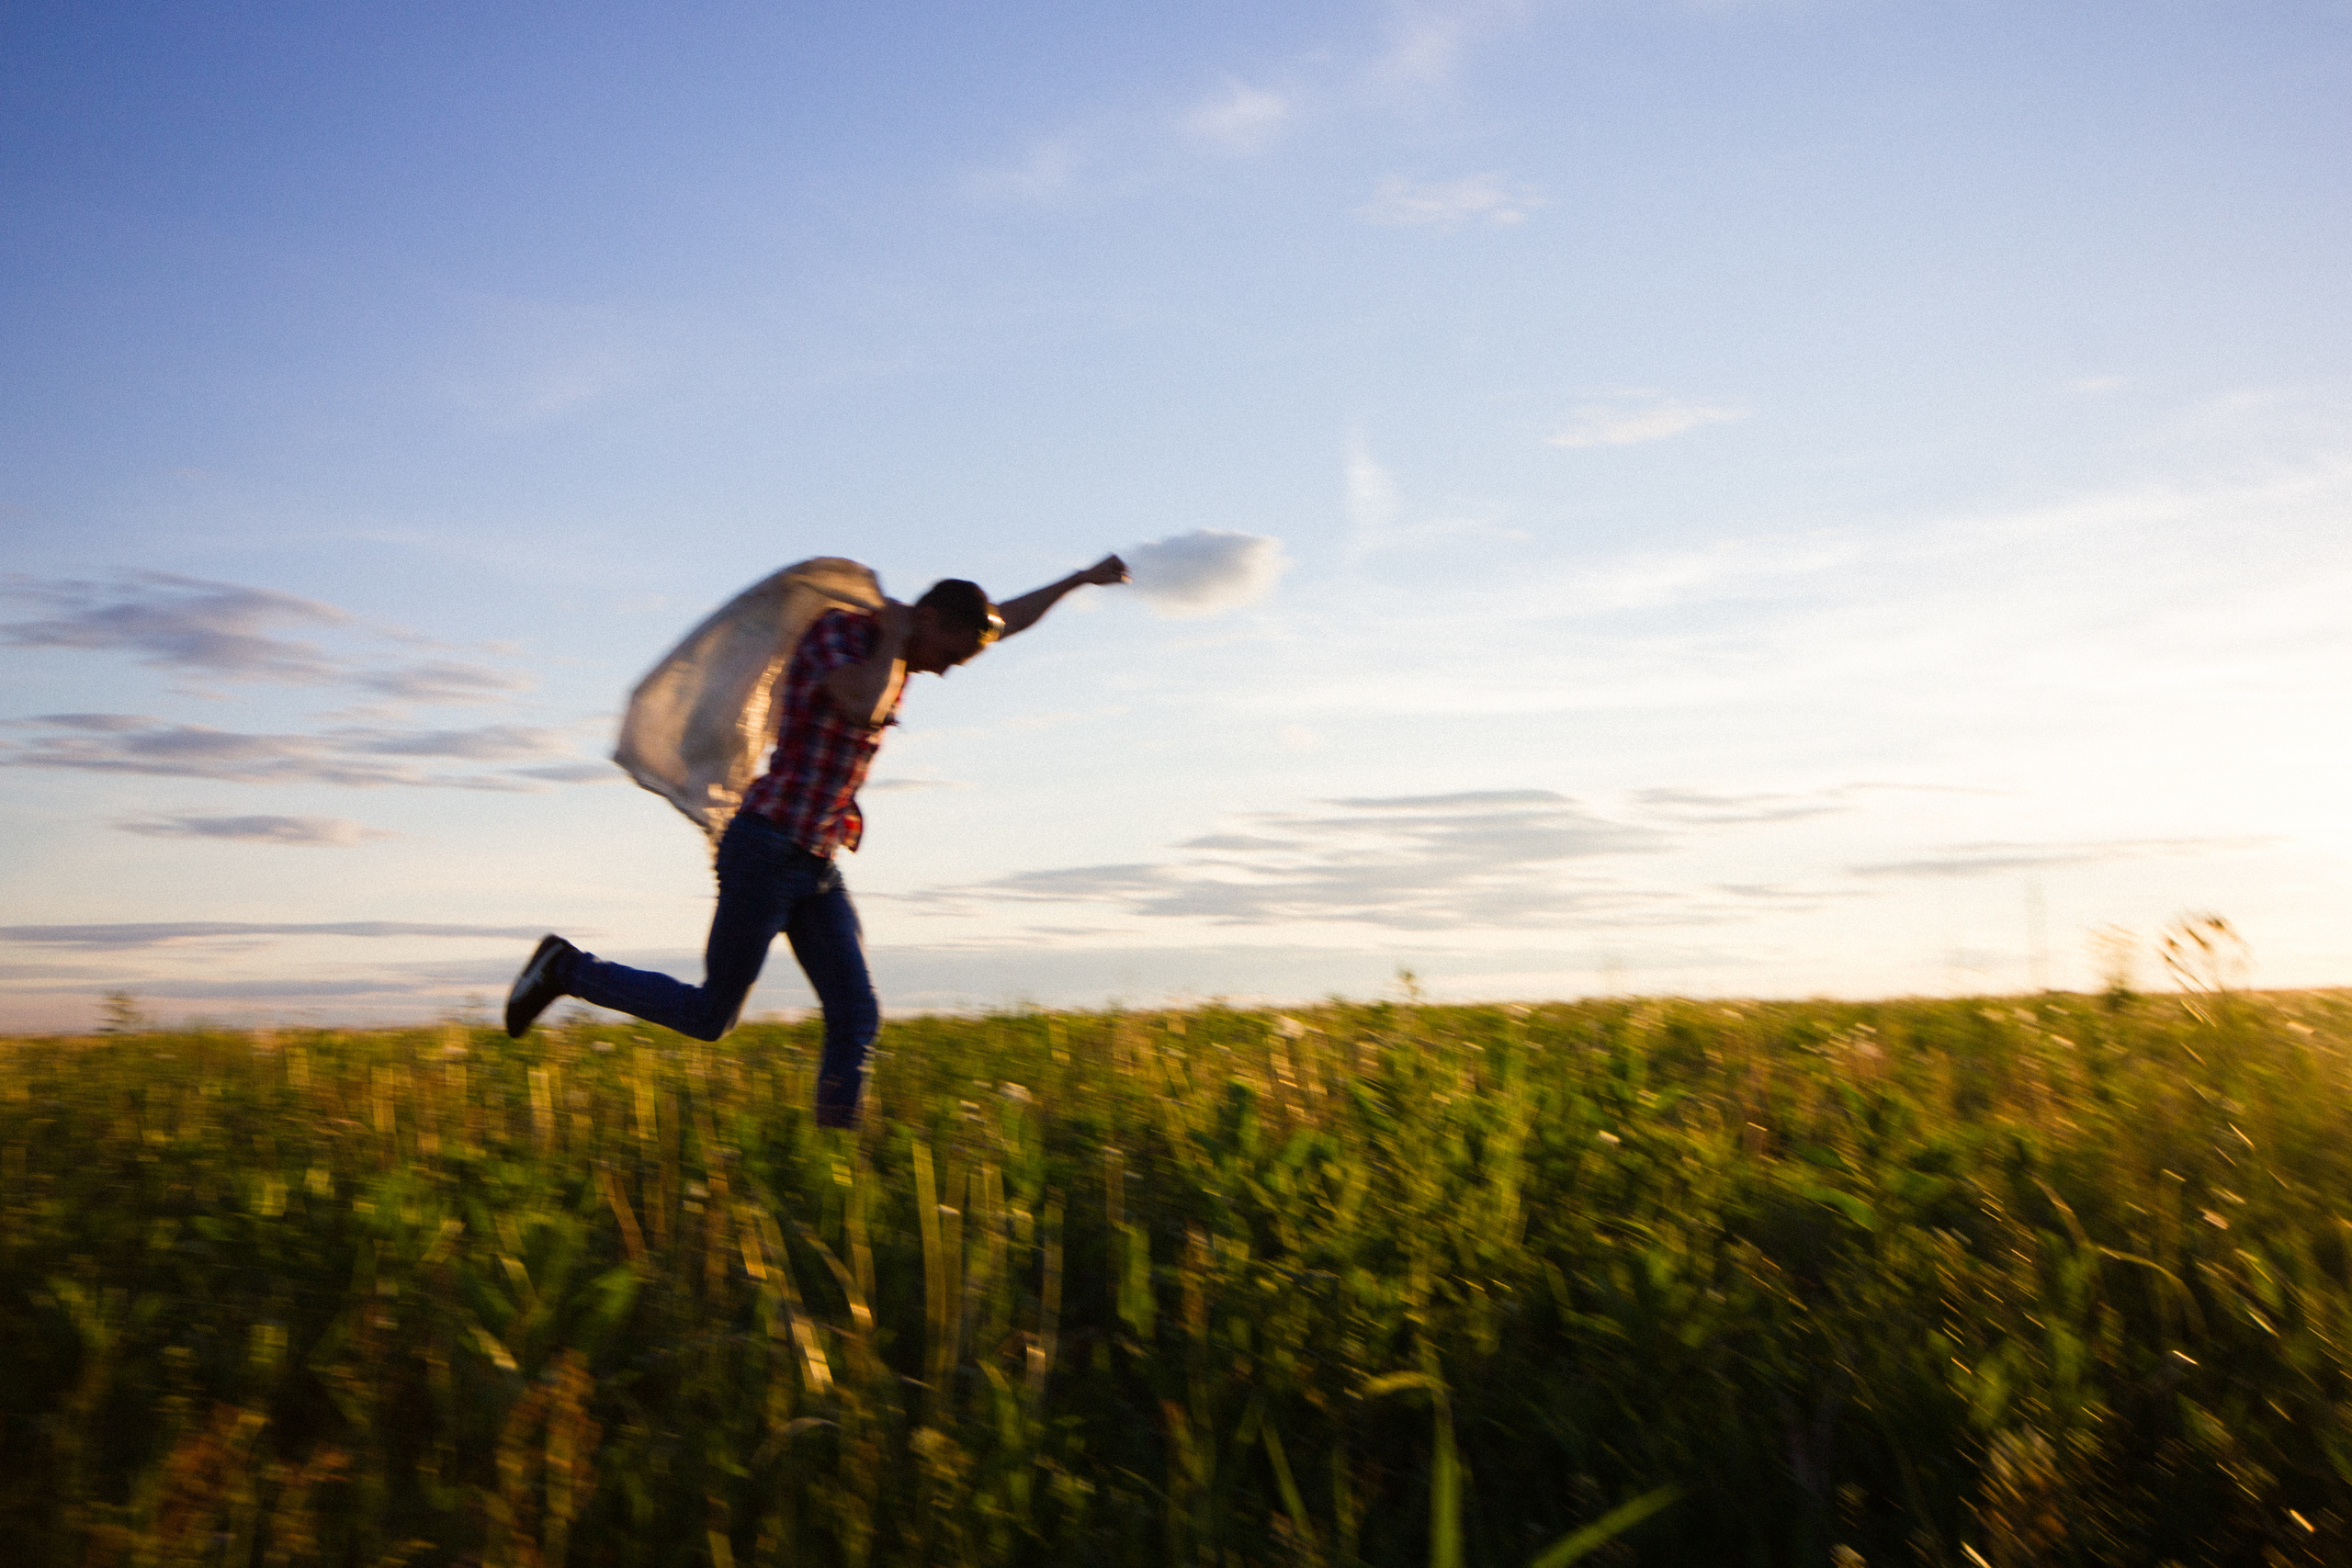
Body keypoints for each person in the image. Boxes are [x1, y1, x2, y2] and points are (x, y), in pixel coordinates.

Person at [503, 554, 1129, 1127]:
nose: (946, 670)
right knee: (710, 1015)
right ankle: (565, 968)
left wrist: (1078, 579)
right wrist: (890, 633)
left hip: (817, 859)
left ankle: (835, 1166)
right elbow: (860, 702)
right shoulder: (843, 633)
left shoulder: (913, 647)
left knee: (856, 1015)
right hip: (765, 848)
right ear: (927, 617)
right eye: (950, 652)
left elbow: (1003, 621)